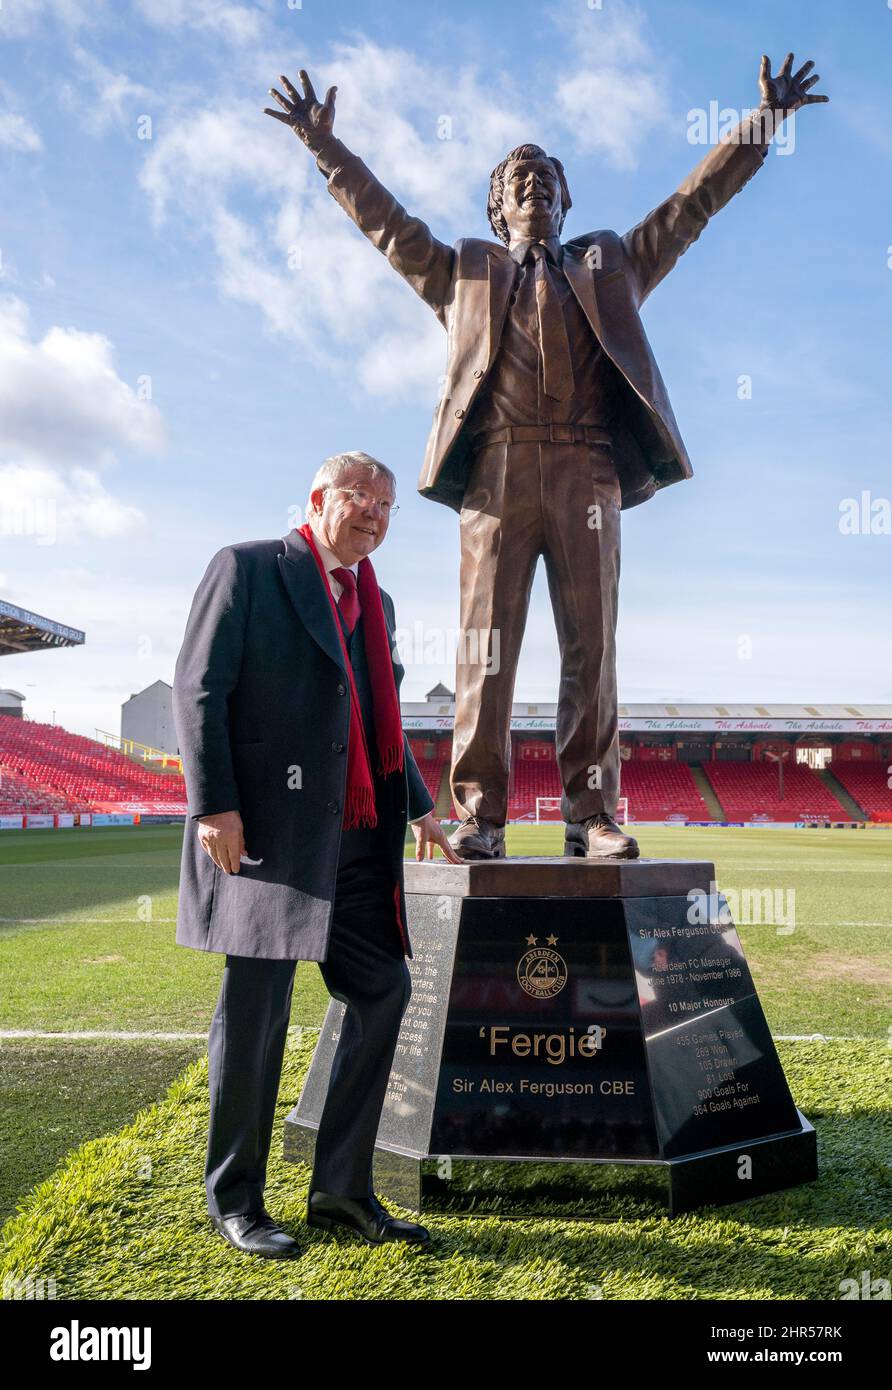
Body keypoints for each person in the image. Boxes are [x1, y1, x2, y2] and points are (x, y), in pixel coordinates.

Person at [264, 54, 827, 861]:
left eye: (546, 180)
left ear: (567, 202)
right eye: (518, 180)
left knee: (590, 649)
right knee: (483, 649)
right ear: (498, 208)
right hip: (494, 475)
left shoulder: (612, 264)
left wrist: (763, 122)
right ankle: (481, 817)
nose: (533, 187)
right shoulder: (462, 271)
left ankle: (590, 815)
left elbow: (692, 204)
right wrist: (327, 147)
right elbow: (385, 222)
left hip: (587, 469)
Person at [173, 450, 461, 1258]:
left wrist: (422, 808)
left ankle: (341, 1190)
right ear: (318, 499)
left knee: (384, 990)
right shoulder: (249, 568)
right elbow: (199, 688)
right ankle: (237, 1200)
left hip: (358, 840)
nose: (372, 512)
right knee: (257, 1018)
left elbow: (380, 717)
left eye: (385, 505)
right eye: (358, 497)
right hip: (266, 837)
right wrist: (214, 806)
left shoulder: (381, 602)